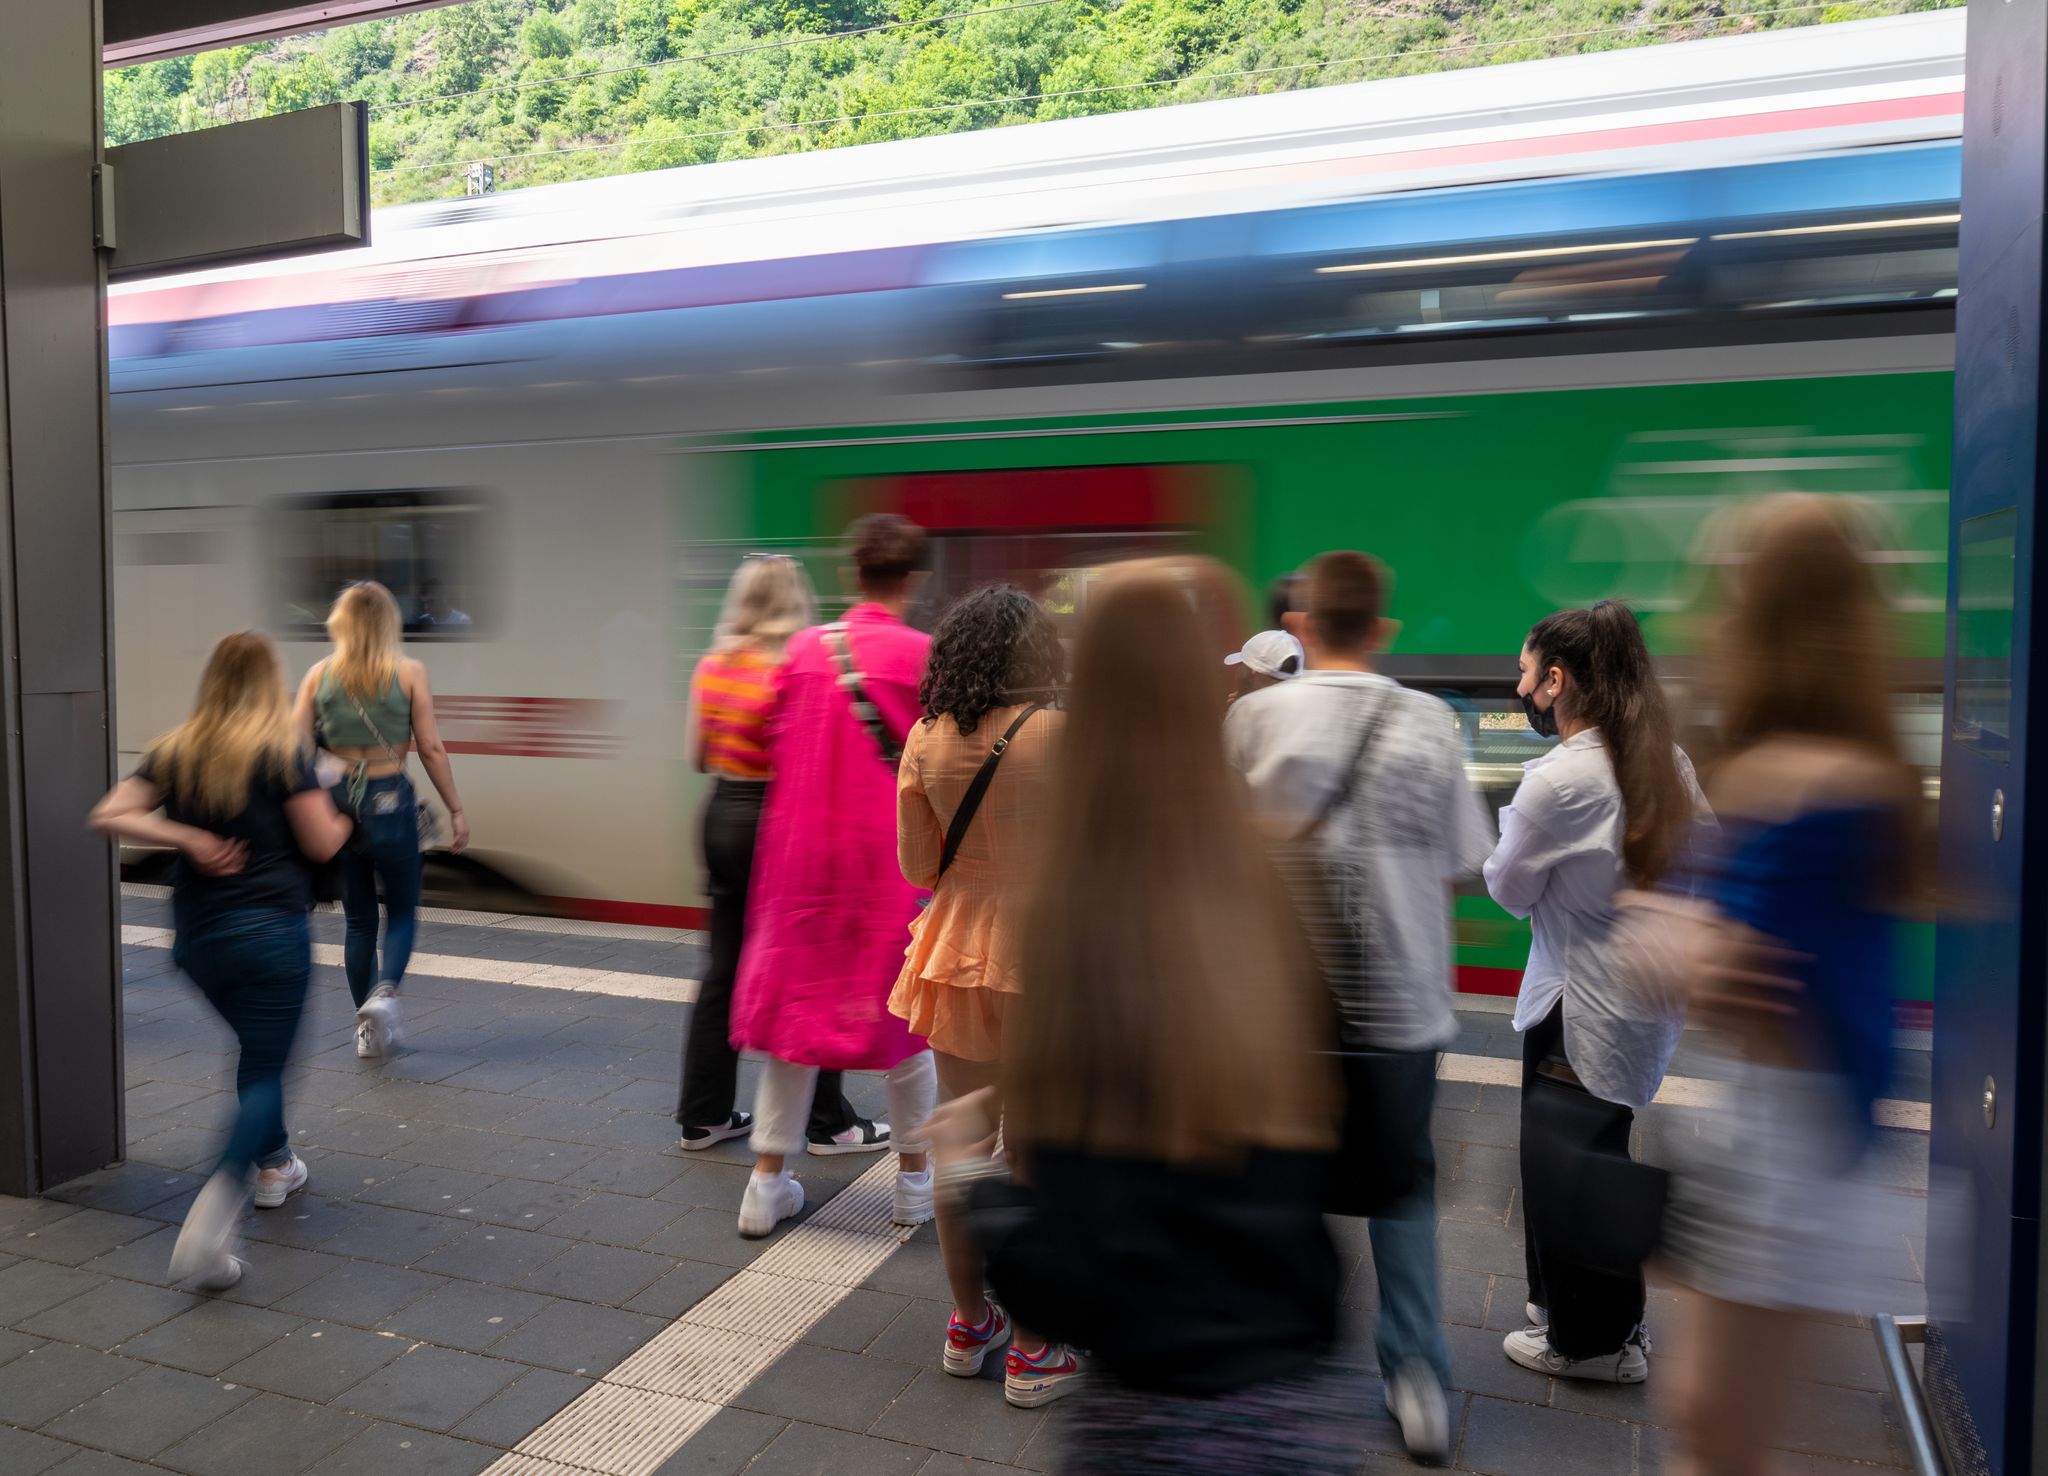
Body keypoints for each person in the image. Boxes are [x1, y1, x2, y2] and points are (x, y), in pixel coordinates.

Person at [928, 568, 1361, 1467]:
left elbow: (1063, 1263)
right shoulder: (1272, 873)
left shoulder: (1081, 928)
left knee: (995, 1140)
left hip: (1153, 1422)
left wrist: (973, 1181)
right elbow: (1353, 1136)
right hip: (1297, 1395)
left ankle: (973, 1331)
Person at [1658, 496, 1922, 1474]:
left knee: (1711, 1430)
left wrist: (1667, 938)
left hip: (1780, 1139)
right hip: (1797, 1126)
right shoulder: (1852, 768)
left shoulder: (1792, 779)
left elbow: (1724, 971)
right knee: (1713, 1421)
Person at [1225, 550, 1496, 1464]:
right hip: (1402, 1012)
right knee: (1402, 1187)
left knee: (1272, 1183)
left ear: (1300, 626)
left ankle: (1266, 1369)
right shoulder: (1428, 722)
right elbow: (1465, 865)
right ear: (1382, 628)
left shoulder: (1254, 719)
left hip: (1277, 1014)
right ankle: (1417, 1378)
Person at [1483, 599, 1704, 1383]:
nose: (1517, 689)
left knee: (1568, 1166)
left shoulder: (1560, 781)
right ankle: (1578, 1309)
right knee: (1593, 1151)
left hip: (1577, 1007)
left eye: (1522, 673)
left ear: (1556, 679)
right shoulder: (1664, 760)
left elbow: (1508, 887)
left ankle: (1598, 1343)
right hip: (1641, 1001)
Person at [90, 633, 353, 1290]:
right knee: (267, 1070)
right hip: (269, 934)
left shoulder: (176, 750)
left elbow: (109, 813)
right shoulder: (282, 754)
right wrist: (344, 806)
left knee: (254, 1053)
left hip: (198, 940)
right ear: (270, 684)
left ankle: (277, 1164)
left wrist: (187, 836)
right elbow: (321, 845)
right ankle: (210, 1226)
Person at [730, 514, 938, 1236]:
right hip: (890, 862)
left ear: (853, 572)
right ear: (913, 579)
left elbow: (761, 736)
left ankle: (765, 1186)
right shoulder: (923, 654)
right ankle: (914, 1187)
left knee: (798, 1018)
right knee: (909, 1021)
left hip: (803, 862)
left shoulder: (804, 650)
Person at [890, 584, 1067, 1400]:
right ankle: (1035, 1349)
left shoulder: (926, 738)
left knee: (962, 1146)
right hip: (1048, 958)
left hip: (955, 950)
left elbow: (919, 868)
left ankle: (970, 1323)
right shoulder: (1066, 734)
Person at [677, 554, 869, 1151]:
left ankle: (703, 1117)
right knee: (811, 962)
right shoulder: (793, 670)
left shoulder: (711, 666)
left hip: (719, 816)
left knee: (721, 969)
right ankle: (828, 1123)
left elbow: (697, 756)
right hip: (776, 821)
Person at [294, 581, 469, 1059]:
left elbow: (294, 749)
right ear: (388, 621)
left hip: (340, 808)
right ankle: (385, 996)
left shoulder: (318, 675)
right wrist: (455, 807)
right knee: (403, 911)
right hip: (393, 798)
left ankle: (366, 1033)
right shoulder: (410, 672)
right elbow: (430, 747)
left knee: (357, 922)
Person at [1225, 628, 1305, 703]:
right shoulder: (1307, 700)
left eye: (1241, 664)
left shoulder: (1252, 711)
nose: (1238, 670)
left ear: (1254, 672)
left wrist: (1241, 708)